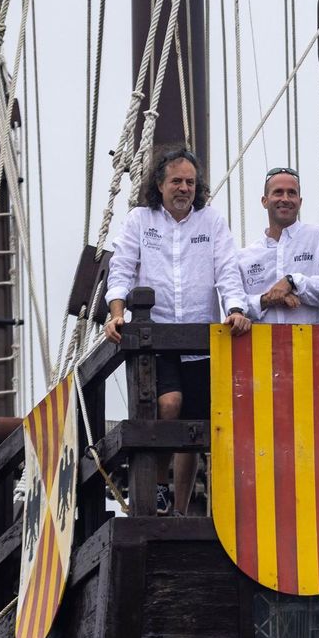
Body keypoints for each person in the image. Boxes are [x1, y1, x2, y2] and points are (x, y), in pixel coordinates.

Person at [105, 148, 250, 513]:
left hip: (201, 340)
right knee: (169, 406)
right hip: (158, 337)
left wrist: (235, 308)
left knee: (196, 429)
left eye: (190, 182)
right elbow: (121, 268)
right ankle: (157, 486)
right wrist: (117, 313)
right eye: (176, 181)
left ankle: (181, 510)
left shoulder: (211, 222)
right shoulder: (140, 220)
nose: (184, 188)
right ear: (160, 184)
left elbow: (228, 270)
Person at [237, 167, 319, 324]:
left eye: (291, 193)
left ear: (300, 202)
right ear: (264, 201)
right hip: (262, 346)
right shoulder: (245, 257)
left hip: (312, 344)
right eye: (278, 192)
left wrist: (293, 282)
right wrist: (267, 300)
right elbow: (236, 306)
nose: (285, 198)